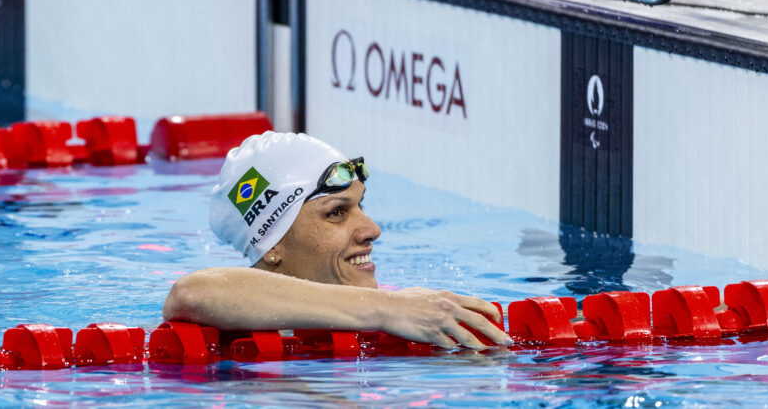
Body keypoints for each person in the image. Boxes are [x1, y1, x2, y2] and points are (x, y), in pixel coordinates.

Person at [163, 131, 509, 349]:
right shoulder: (223, 334)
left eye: (361, 206)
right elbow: (191, 293)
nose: (371, 228)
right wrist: (390, 308)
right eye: (336, 213)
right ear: (273, 246)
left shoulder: (418, 313)